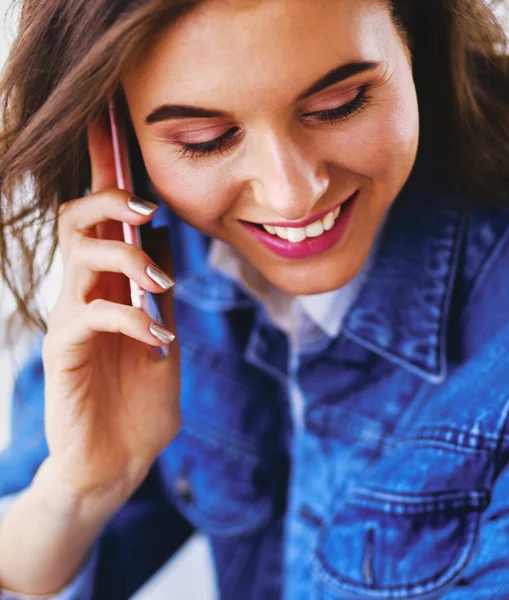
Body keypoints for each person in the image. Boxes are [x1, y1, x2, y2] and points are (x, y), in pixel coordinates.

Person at [1, 0, 509, 598]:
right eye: (205, 140)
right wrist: (79, 491)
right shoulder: (147, 265)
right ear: (116, 134)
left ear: (414, 42)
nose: (292, 196)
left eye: (338, 104)